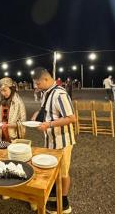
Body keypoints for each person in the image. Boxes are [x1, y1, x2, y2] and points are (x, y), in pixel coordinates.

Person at [31, 67, 76, 214]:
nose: (36, 87)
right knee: (53, 169)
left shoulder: (60, 94)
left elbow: (71, 118)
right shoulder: (46, 93)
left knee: (63, 172)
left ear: (46, 79)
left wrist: (49, 124)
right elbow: (47, 111)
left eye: (38, 84)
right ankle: (54, 193)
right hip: (50, 139)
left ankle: (64, 202)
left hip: (62, 141)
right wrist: (36, 115)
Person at [0, 77, 26, 142]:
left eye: (5, 90)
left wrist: (7, 125)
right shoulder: (1, 101)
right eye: (1, 91)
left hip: (13, 137)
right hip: (1, 135)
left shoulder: (18, 102)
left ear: (11, 89)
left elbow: (22, 123)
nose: (3, 93)